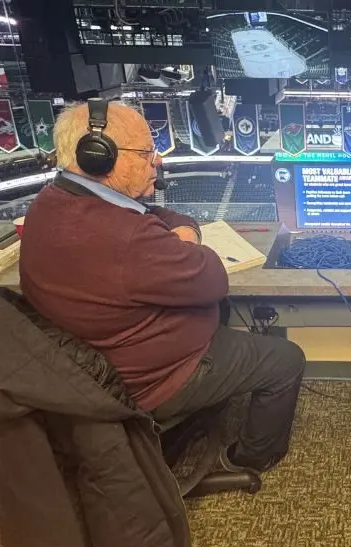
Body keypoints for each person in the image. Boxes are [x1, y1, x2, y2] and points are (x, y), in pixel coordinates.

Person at [19, 101, 305, 477]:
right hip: (154, 380)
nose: (157, 162)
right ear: (99, 157)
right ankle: (250, 458)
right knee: (285, 359)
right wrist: (188, 241)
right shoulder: (126, 237)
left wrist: (182, 230)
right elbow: (212, 279)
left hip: (95, 373)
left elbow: (155, 216)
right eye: (145, 153)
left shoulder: (51, 204)